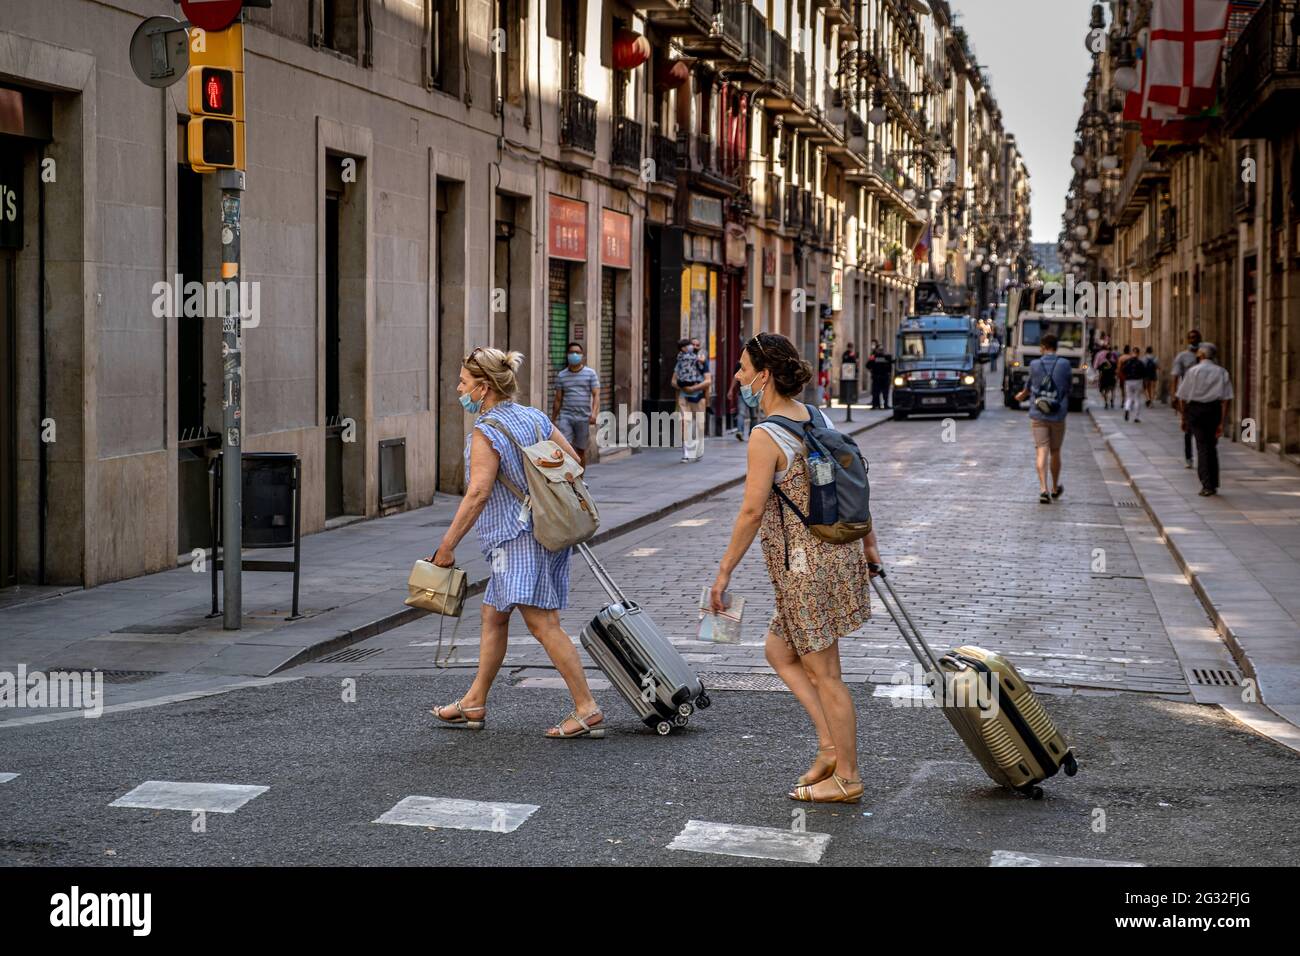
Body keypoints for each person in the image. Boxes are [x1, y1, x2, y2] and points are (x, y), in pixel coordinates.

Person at [709, 332, 881, 804]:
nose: (738, 378)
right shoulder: (817, 417)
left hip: (805, 568)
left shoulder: (766, 437)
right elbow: (856, 485)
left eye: (743, 369)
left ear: (763, 376)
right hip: (834, 557)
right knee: (779, 652)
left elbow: (749, 511)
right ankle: (829, 747)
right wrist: (870, 547)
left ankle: (848, 776)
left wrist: (723, 574)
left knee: (826, 674)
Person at [429, 347, 606, 739]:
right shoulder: (534, 417)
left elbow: (477, 493)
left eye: (463, 383)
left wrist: (447, 545)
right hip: (547, 532)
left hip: (517, 539)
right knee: (494, 614)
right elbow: (571, 462)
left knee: (543, 623)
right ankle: (474, 700)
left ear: (484, 387)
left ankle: (586, 707)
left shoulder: (486, 431)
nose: (458, 389)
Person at [1014, 332, 1073, 504]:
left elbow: (1028, 387)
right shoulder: (1065, 364)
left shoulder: (1035, 364)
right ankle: (1055, 488)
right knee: (1055, 451)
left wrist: (1021, 396)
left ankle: (1043, 489)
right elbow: (1068, 386)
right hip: (1058, 413)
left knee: (1041, 449)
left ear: (1043, 347)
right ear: (1056, 347)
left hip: (1038, 413)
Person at [1177, 342, 1234, 497]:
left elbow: (1182, 396)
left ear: (1201, 355)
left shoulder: (1192, 371)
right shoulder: (1222, 372)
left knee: (1202, 447)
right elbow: (1227, 398)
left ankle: (1207, 484)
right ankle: (1213, 482)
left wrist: (1184, 417)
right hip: (1214, 410)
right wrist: (1222, 422)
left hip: (1196, 411)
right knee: (1211, 446)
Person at [551, 341, 600, 469]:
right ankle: (568, 476)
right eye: (571, 352)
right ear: (567, 355)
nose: (574, 355)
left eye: (577, 352)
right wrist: (553, 419)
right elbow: (557, 399)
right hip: (566, 416)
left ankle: (580, 479)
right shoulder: (562, 375)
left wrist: (594, 414)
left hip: (583, 418)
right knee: (564, 447)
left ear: (582, 355)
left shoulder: (590, 374)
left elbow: (596, 395)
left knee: (580, 451)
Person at [672, 337, 711, 462]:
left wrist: (693, 388)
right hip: (684, 396)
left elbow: (708, 381)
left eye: (696, 345)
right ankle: (686, 453)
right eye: (691, 344)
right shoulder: (680, 361)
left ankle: (698, 450)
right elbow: (673, 381)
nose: (693, 347)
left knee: (699, 425)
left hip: (699, 397)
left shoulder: (702, 362)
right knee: (685, 423)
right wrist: (683, 388)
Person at [1170, 329, 1203, 469]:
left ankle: (1202, 456)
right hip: (1188, 397)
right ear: (1187, 340)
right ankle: (1189, 457)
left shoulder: (1206, 355)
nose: (1193, 339)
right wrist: (1174, 396)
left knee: (1202, 431)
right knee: (1188, 429)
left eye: (1195, 337)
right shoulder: (1182, 357)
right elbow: (1175, 376)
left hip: (1204, 396)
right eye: (1190, 337)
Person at [728, 359, 760, 441]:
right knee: (741, 413)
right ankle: (740, 432)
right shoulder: (740, 364)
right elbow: (736, 377)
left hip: (754, 393)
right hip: (742, 392)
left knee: (753, 416)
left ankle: (752, 434)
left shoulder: (757, 363)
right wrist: (731, 390)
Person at [1121, 347, 1146, 423]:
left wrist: (1126, 377)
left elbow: (1123, 370)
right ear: (1138, 353)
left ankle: (1127, 408)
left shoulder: (1127, 362)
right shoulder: (1140, 362)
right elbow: (1144, 373)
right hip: (1138, 381)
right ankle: (1136, 417)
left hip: (1128, 381)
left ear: (1132, 353)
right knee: (1137, 398)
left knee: (1129, 397)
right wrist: (1144, 382)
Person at [866, 342, 894, 410]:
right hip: (879, 377)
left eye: (881, 349)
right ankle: (877, 405)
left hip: (882, 377)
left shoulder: (878, 357)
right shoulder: (885, 357)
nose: (881, 351)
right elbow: (868, 365)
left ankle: (882, 405)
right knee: (876, 392)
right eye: (880, 349)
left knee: (883, 392)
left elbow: (891, 365)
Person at [840, 342, 860, 408]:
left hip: (852, 373)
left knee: (852, 387)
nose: (850, 348)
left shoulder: (853, 354)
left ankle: (852, 398)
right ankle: (846, 398)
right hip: (846, 374)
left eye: (851, 347)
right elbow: (844, 362)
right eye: (850, 347)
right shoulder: (846, 354)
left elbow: (856, 362)